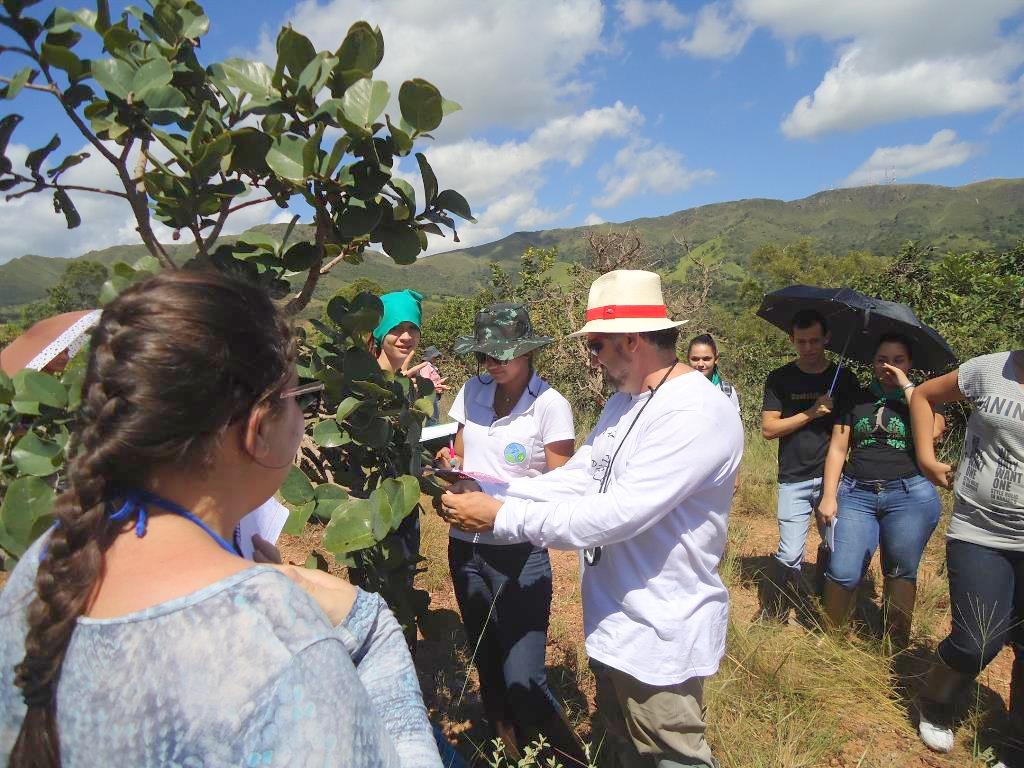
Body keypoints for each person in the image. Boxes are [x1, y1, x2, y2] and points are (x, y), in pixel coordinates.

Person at [0, 271, 440, 768]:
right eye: (296, 399)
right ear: (257, 429)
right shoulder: (283, 642)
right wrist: (372, 628)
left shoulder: (48, 562)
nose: (301, 421)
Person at [440, 270, 744, 768]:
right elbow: (583, 476)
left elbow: (618, 513)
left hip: (660, 626)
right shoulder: (625, 403)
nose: (593, 358)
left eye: (598, 346)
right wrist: (496, 492)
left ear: (631, 340)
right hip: (617, 621)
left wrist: (500, 516)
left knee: (669, 753)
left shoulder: (692, 412)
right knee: (620, 747)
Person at [436, 303, 581, 762]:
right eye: (485, 356)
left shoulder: (550, 406)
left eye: (503, 354)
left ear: (527, 352)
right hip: (465, 548)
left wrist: (500, 504)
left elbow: (565, 487)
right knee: (488, 663)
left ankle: (566, 758)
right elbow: (458, 454)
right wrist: (449, 473)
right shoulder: (471, 392)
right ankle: (508, 751)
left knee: (526, 676)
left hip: (518, 553)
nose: (493, 364)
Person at [910, 349, 1023, 761]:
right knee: (977, 640)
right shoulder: (990, 369)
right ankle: (936, 701)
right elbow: (924, 396)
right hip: (981, 529)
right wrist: (925, 459)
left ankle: (1016, 743)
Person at [815, 334, 944, 649]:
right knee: (843, 570)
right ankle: (833, 640)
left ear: (909, 363)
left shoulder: (923, 398)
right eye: (882, 359)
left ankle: (895, 644)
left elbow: (935, 430)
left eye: (897, 360)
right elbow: (837, 448)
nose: (888, 366)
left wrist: (907, 386)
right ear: (872, 362)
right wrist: (829, 495)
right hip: (857, 492)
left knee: (900, 569)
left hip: (909, 494)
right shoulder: (855, 398)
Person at [760, 309, 858, 622]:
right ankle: (772, 612)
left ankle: (823, 608)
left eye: (815, 340)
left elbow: (849, 431)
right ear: (792, 340)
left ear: (827, 338)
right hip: (793, 477)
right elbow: (769, 430)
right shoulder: (779, 378)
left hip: (835, 479)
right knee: (789, 553)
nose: (809, 348)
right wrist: (811, 413)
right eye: (801, 342)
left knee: (834, 548)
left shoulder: (845, 379)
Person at [688, 333, 740, 411]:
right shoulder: (679, 389)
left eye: (706, 359)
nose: (700, 364)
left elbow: (735, 421)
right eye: (695, 359)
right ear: (688, 359)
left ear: (716, 359)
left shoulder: (727, 391)